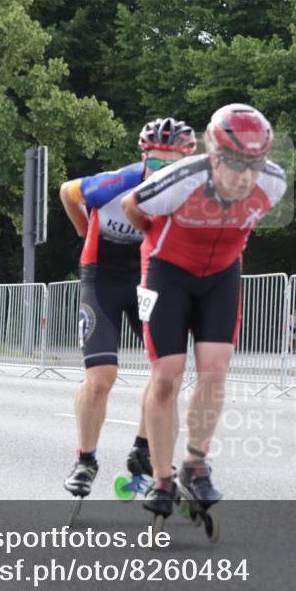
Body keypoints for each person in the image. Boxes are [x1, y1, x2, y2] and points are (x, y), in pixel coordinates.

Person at [121, 103, 287, 519]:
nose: (245, 175)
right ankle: (161, 476)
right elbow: (131, 206)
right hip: (167, 272)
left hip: (221, 275)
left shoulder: (274, 183)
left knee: (215, 371)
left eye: (254, 163)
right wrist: (158, 240)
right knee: (166, 377)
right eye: (234, 163)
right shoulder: (180, 178)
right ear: (214, 154)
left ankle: (196, 464)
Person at [58, 118, 197, 499]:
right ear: (142, 158)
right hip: (101, 278)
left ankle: (142, 446)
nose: (160, 172)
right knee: (102, 377)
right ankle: (85, 459)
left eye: (170, 165)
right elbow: (67, 192)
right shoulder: (117, 182)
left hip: (148, 279)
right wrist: (85, 231)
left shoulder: (192, 195)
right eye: (154, 163)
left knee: (168, 371)